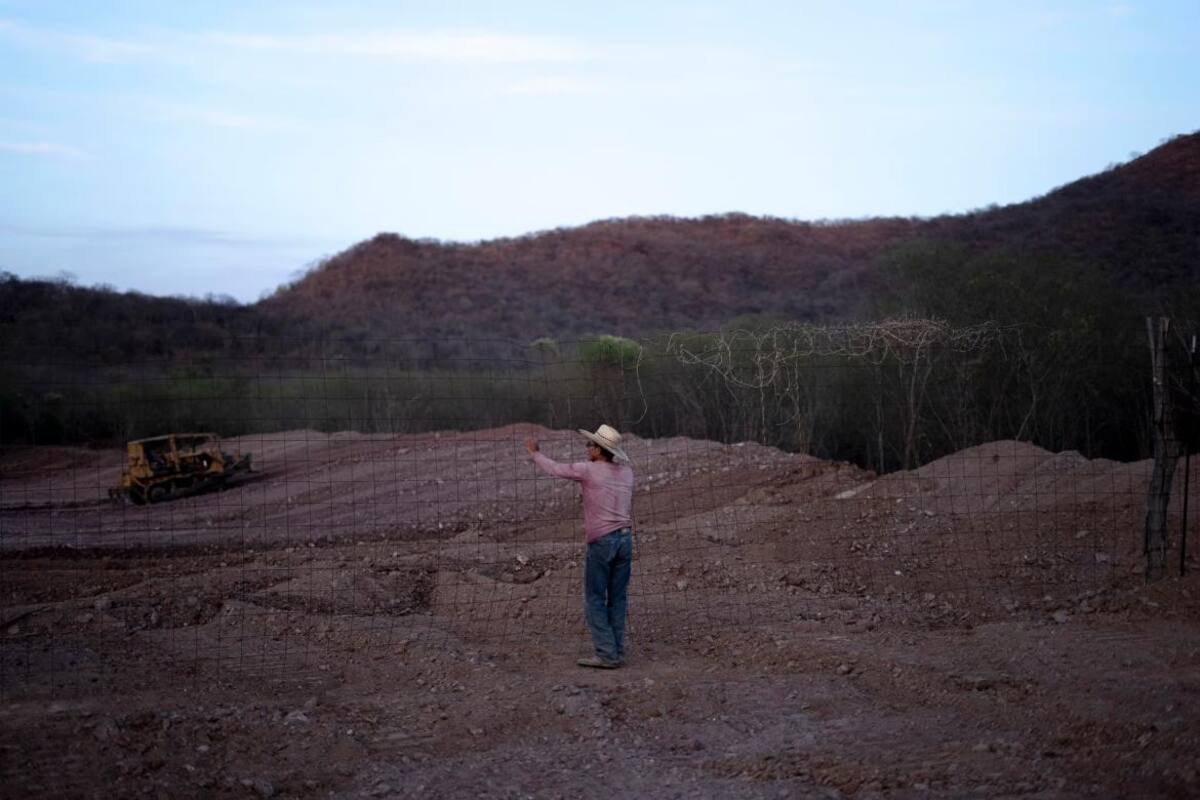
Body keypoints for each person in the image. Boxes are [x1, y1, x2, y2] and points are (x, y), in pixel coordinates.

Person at [525, 424, 634, 669]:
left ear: (598, 450)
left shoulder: (589, 470)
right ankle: (616, 649)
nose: (586, 449)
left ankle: (607, 654)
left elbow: (555, 469)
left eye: (589, 445)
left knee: (595, 597)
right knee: (617, 598)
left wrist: (535, 453)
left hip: (603, 540)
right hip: (626, 539)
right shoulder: (627, 473)